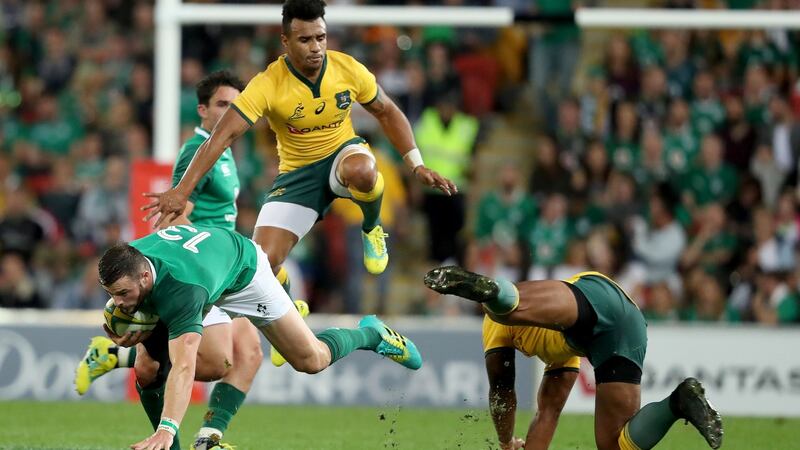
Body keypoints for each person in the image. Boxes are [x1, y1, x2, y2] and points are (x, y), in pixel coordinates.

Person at [141, 0, 456, 294]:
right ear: (285, 41)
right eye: (305, 40)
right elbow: (220, 138)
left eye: (321, 37)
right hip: (298, 174)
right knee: (260, 265)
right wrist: (182, 190)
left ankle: (372, 226)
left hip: (342, 154)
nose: (316, 47)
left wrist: (416, 164)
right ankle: (290, 296)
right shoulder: (268, 84)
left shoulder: (348, 69)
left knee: (363, 169)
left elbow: (386, 110)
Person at [74, 71, 303, 450]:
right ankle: (121, 358)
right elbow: (176, 216)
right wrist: (194, 257)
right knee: (216, 363)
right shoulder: (198, 152)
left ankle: (206, 437)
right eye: (223, 105)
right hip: (204, 273)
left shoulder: (225, 150)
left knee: (246, 356)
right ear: (202, 110)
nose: (233, 112)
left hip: (227, 269)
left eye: (238, 105)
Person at [101, 225, 421, 450]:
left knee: (311, 360)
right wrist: (133, 327)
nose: (118, 303)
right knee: (147, 367)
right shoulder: (133, 262)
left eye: (123, 294)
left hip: (244, 275)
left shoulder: (182, 291)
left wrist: (167, 427)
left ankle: (371, 333)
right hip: (206, 269)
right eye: (112, 296)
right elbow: (138, 300)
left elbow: (184, 367)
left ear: (144, 276)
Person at [424, 266, 723, 450]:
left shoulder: (494, 328)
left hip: (592, 297)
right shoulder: (563, 358)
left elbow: (502, 392)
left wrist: (505, 442)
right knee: (614, 445)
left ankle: (488, 291)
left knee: (506, 309)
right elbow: (547, 414)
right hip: (628, 326)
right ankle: (678, 403)